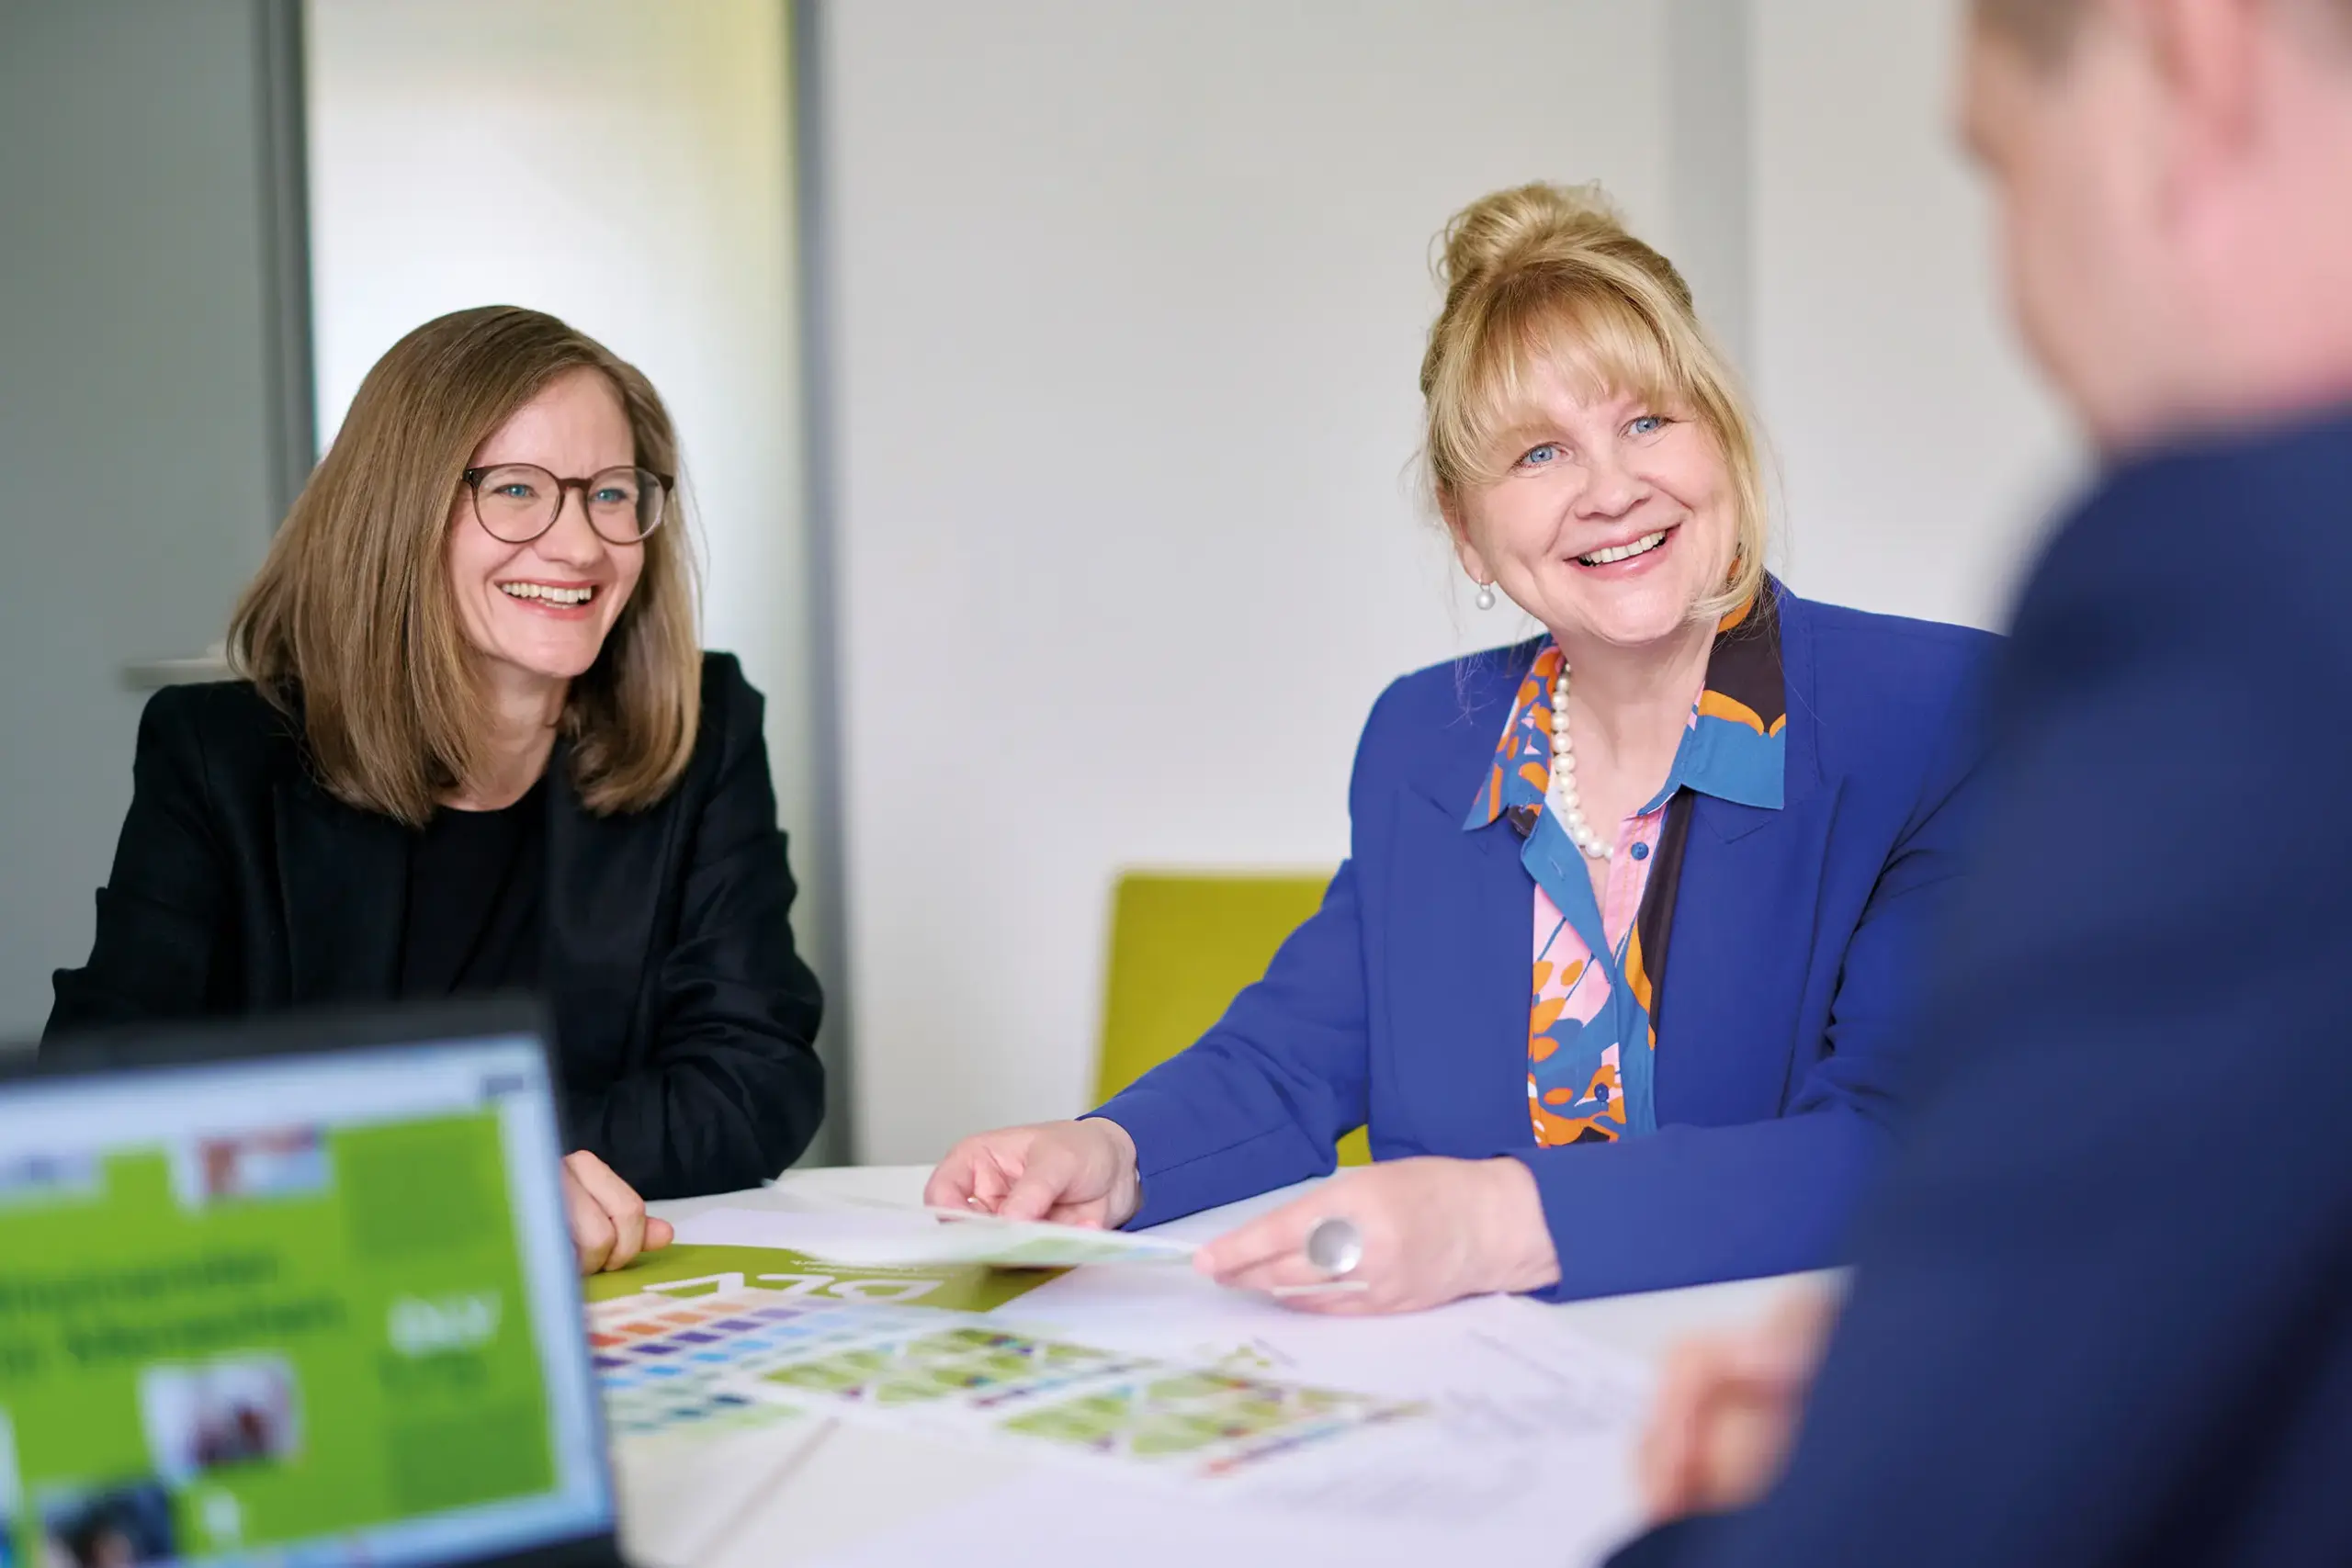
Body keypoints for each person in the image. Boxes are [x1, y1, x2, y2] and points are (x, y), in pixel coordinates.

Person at [928, 185, 1995, 1309]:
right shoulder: (1422, 744)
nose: (1610, 489)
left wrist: (1492, 1225)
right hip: (1463, 1417)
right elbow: (1289, 1062)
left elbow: (1905, 1135)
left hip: (1770, 1398)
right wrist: (1106, 1155)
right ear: (1465, 532)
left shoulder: (1935, 712)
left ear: (1720, 438)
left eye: (1646, 421)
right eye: (1538, 454)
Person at [1617, 0, 2352, 1562]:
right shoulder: (1424, 744)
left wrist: (1924, 1412)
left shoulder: (2229, 624)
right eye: (1530, 455)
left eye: (2005, 170)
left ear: (2192, 66)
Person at [45, 306, 826, 1273]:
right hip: (323, 1291)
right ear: (401, 509)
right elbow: (100, 1105)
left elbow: (758, 1085)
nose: (581, 545)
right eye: (515, 489)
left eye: (612, 495)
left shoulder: (705, 724)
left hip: (622, 1289)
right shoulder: (218, 756)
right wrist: (464, 1176)